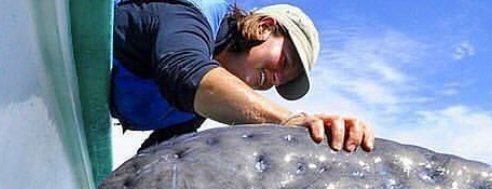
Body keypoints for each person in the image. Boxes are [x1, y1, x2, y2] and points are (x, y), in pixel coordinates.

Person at [111, 1, 374, 152]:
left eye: (283, 82)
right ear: (264, 26)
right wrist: (289, 121)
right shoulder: (188, 15)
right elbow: (183, 71)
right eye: (284, 62)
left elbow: (155, 153)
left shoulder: (199, 108)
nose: (276, 80)